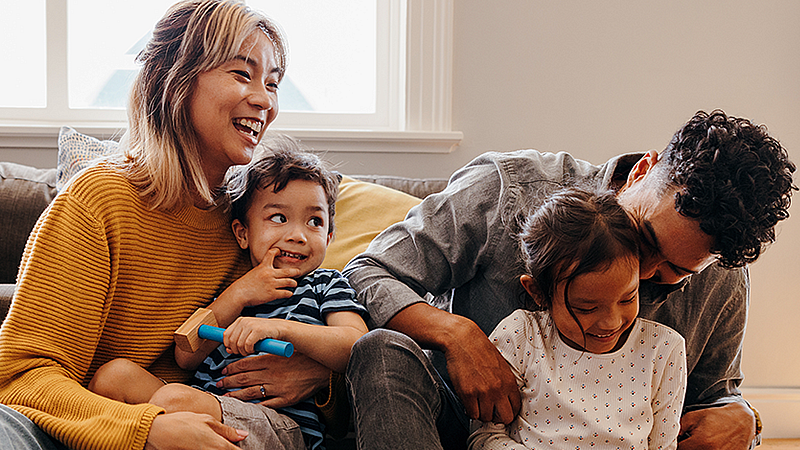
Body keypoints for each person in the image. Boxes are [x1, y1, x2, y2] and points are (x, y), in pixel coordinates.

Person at [344, 110, 796, 450]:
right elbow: (367, 271)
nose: (642, 273)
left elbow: (714, 396)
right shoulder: (508, 190)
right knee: (381, 350)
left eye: (674, 273)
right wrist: (457, 335)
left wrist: (745, 419)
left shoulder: (721, 281)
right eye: (645, 239)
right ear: (642, 171)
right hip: (453, 421)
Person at [0, 1, 328, 449]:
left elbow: (320, 328)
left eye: (272, 83)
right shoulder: (98, 201)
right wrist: (146, 428)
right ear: (176, 81)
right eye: (242, 74)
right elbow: (20, 375)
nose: (265, 100)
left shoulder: (254, 222)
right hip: (78, 427)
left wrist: (319, 376)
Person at [87, 140, 369, 450]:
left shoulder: (325, 283)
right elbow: (186, 355)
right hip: (207, 401)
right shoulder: (235, 286)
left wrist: (280, 329)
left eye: (314, 221)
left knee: (174, 400)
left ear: (328, 237)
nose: (298, 235)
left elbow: (357, 345)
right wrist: (239, 294)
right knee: (114, 377)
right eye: (279, 218)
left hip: (280, 425)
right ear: (242, 233)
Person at [467, 186, 686, 450]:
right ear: (538, 293)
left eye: (627, 298)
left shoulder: (664, 348)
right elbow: (484, 438)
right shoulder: (521, 336)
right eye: (586, 308)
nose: (611, 322)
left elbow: (664, 446)